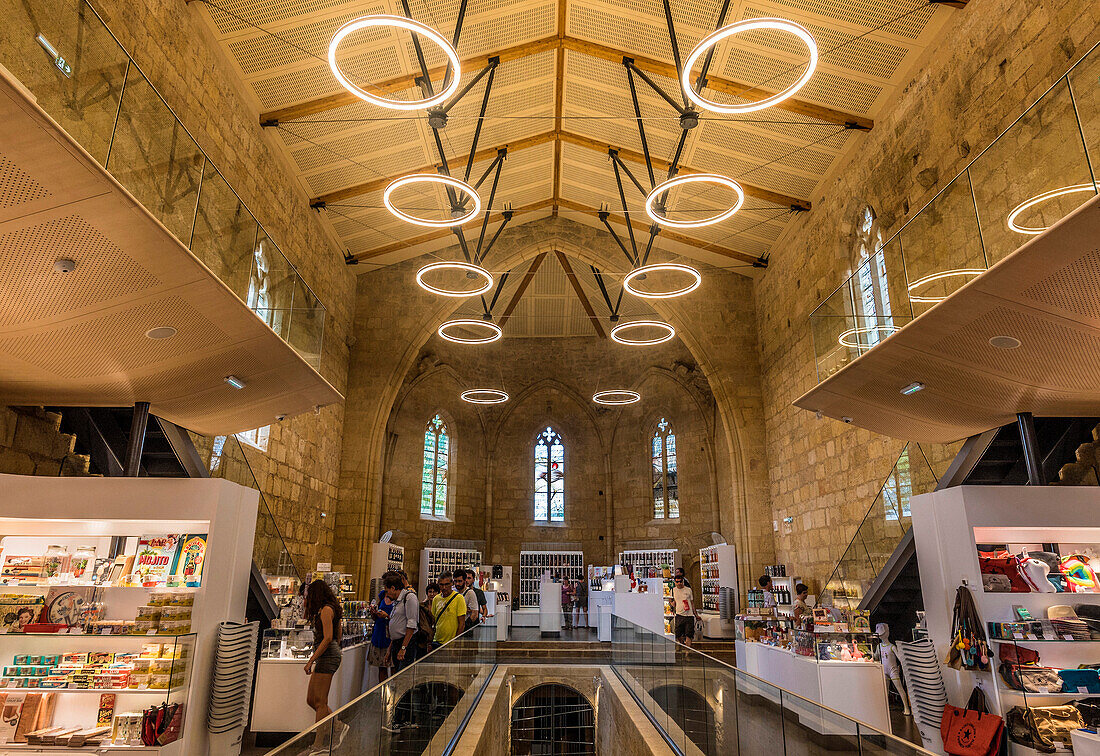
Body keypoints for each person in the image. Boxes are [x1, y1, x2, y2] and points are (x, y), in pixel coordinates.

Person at [303, 579, 349, 748]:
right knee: (311, 699)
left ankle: (318, 743)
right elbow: (337, 635)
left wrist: (311, 660)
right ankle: (338, 726)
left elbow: (329, 637)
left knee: (320, 701)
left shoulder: (327, 610)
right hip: (327, 655)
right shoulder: (329, 609)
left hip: (328, 656)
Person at [384, 573, 420, 673]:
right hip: (396, 643)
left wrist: (403, 648)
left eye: (387, 591)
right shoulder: (396, 601)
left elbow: (411, 624)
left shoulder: (409, 597)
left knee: (403, 675)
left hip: (406, 643)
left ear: (393, 588)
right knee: (396, 674)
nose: (386, 594)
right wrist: (389, 650)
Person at [368, 576, 394, 682]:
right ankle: (383, 692)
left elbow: (398, 619)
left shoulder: (398, 599)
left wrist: (387, 616)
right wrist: (374, 613)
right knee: (381, 668)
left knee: (393, 668)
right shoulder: (382, 596)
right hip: (379, 633)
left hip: (390, 635)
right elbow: (376, 615)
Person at [431, 572, 466, 648]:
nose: (444, 587)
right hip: (436, 641)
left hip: (451, 643)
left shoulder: (459, 598)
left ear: (451, 583)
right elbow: (434, 620)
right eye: (441, 584)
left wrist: (455, 642)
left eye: (446, 584)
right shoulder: (436, 599)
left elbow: (462, 624)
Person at [672, 574, 701, 648]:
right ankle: (682, 645)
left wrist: (696, 614)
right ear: (675, 582)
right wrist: (670, 602)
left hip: (689, 615)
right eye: (677, 582)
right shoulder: (673, 590)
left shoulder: (688, 590)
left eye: (680, 581)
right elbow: (673, 603)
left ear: (683, 581)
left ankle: (687, 652)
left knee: (689, 634)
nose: (679, 583)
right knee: (678, 634)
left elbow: (692, 603)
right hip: (679, 614)